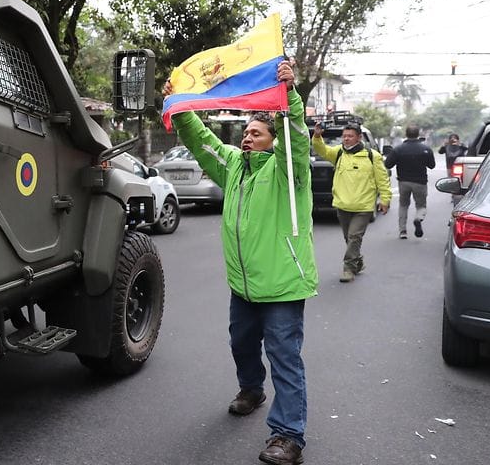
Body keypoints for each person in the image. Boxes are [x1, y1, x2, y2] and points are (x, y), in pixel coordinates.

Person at [163, 60, 316, 465]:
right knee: (241, 343)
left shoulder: (289, 170)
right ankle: (251, 389)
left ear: (272, 139)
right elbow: (202, 141)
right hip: (244, 286)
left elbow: (296, 140)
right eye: (245, 132)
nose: (248, 138)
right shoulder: (233, 166)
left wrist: (291, 99)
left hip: (282, 285)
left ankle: (288, 436)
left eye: (257, 133)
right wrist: (180, 108)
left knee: (284, 357)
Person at [312, 122, 391, 282]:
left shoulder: (372, 156)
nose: (346, 139)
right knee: (349, 239)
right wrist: (317, 137)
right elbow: (323, 150)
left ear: (359, 137)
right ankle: (358, 262)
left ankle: (348, 269)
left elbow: (382, 179)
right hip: (342, 205)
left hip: (363, 206)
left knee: (354, 237)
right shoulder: (339, 153)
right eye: (344, 136)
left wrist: (385, 199)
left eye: (350, 136)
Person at [385, 125, 436, 238]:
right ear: (418, 134)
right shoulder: (425, 149)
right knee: (421, 205)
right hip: (420, 182)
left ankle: (402, 231)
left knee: (403, 205)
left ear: (406, 134)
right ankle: (418, 218)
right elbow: (432, 165)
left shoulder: (398, 149)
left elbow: (388, 164)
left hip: (403, 182)